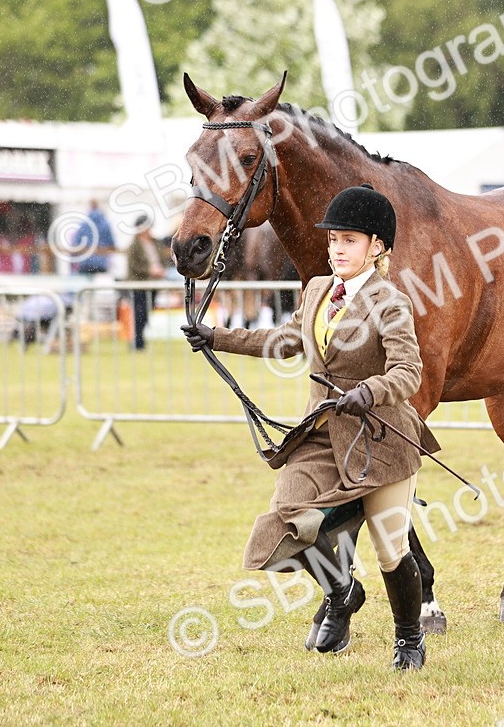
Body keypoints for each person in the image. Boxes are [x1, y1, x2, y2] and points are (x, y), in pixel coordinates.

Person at [181, 184, 436, 672]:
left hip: (381, 440)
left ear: (377, 247)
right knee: (284, 527)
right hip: (320, 433)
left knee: (390, 549)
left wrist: (370, 390)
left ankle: (408, 639)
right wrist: (219, 336)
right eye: (333, 239)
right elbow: (287, 338)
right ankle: (342, 591)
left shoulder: (391, 302)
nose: (337, 249)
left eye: (350, 241)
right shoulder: (318, 287)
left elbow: (408, 372)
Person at [125, 214, 164, 351]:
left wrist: (160, 270)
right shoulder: (134, 246)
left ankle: (139, 341)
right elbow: (134, 266)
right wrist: (150, 271)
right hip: (139, 285)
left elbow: (162, 259)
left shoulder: (155, 243)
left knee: (146, 314)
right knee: (139, 314)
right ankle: (137, 342)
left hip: (153, 285)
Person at [76, 200, 116, 275]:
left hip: (85, 264)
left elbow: (76, 244)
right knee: (100, 286)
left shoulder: (83, 225)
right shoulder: (106, 224)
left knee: (85, 286)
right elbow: (112, 244)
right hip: (101, 265)